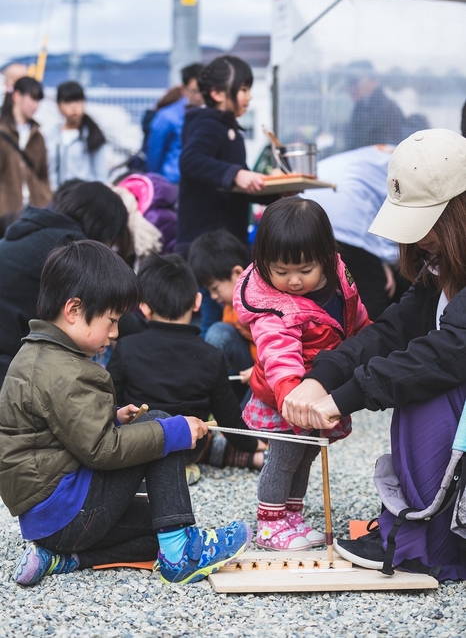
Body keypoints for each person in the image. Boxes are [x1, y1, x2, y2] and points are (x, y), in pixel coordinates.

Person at [0, 240, 251, 587]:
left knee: (162, 522)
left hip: (51, 521)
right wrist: (174, 431)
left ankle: (62, 558)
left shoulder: (38, 357)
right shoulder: (64, 370)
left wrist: (113, 417)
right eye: (111, 320)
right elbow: (103, 450)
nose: (116, 333)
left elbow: (61, 430)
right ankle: (180, 557)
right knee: (162, 424)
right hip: (69, 511)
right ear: (73, 310)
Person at [282, 129, 466, 581]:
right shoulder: (443, 267)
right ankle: (417, 526)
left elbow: (449, 352)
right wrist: (320, 377)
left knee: (422, 386)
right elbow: (388, 332)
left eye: (426, 222)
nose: (419, 238)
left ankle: (428, 538)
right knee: (409, 376)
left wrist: (344, 398)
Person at [233, 197, 371, 551]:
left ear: (326, 256)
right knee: (285, 456)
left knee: (307, 453)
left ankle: (292, 515)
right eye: (281, 271)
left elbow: (355, 316)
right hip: (287, 395)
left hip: (317, 390)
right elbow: (279, 355)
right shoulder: (272, 308)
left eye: (304, 270)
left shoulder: (340, 274)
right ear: (262, 263)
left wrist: (370, 339)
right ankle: (270, 523)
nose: (293, 281)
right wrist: (291, 395)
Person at [106, 252, 266, 474]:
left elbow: (111, 399)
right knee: (208, 440)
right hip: (190, 446)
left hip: (138, 444)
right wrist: (253, 444)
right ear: (197, 301)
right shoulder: (211, 355)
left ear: (144, 307)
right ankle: (250, 458)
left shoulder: (127, 347)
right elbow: (227, 417)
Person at [176, 55, 273, 334]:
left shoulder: (231, 130)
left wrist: (276, 191)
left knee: (229, 321)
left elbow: (240, 186)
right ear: (218, 93)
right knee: (211, 320)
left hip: (226, 246)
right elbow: (190, 161)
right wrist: (237, 174)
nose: (248, 97)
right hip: (207, 248)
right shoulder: (209, 124)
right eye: (243, 89)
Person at [0, 180, 131, 385]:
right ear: (105, 227)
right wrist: (153, 324)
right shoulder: (68, 248)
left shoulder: (38, 229)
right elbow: (103, 306)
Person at [302, 145, 399, 320]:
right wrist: (388, 259)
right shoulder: (406, 164)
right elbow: (397, 209)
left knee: (323, 289)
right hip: (349, 223)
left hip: (309, 214)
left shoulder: (372, 153)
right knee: (371, 297)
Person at [188, 229, 256, 406]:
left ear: (237, 273)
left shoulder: (259, 302)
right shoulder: (229, 307)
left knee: (219, 333)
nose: (213, 296)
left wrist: (260, 371)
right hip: (251, 365)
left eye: (215, 288)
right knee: (218, 332)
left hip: (271, 367)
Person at [0, 76, 52, 216]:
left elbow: (43, 175)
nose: (36, 105)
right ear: (17, 96)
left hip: (35, 212)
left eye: (38, 100)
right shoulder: (2, 133)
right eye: (33, 98)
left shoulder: (38, 136)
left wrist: (45, 198)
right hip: (6, 215)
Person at [145, 63, 204, 184]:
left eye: (204, 90)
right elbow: (154, 153)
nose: (200, 96)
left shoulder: (210, 114)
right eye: (195, 91)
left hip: (200, 181)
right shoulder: (167, 116)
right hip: (173, 181)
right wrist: (157, 181)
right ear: (184, 90)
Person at [46, 81, 108, 189]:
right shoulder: (51, 136)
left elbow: (101, 175)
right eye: (68, 102)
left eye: (78, 101)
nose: (74, 107)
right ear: (59, 106)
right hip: (57, 198)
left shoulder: (93, 135)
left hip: (84, 199)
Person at [344, 61, 405, 151]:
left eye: (354, 81)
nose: (350, 87)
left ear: (373, 81)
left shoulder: (387, 109)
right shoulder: (360, 106)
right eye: (348, 82)